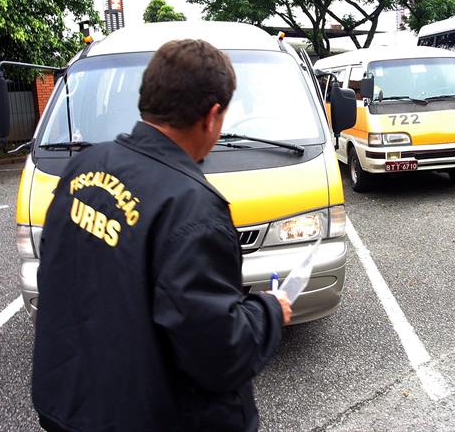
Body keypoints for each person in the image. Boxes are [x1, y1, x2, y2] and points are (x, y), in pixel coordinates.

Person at [32, 39, 291, 432]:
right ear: (212, 116)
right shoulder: (192, 207)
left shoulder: (83, 168)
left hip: (66, 404)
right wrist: (271, 310)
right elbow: (217, 353)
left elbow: (63, 271)